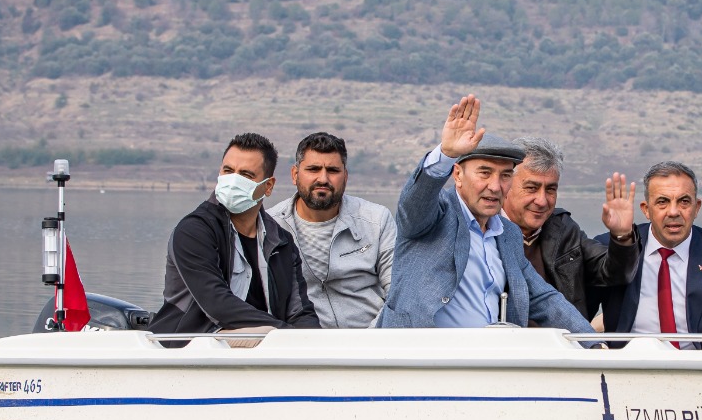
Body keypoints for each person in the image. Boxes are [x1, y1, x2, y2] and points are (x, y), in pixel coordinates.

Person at [376, 96, 594, 333]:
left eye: (505, 175)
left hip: (486, 360)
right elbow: (414, 204)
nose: (495, 186)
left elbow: (543, 298)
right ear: (457, 175)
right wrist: (446, 155)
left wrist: (592, 343)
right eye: (485, 173)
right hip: (421, 358)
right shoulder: (435, 214)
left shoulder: (507, 233)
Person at [151, 132, 319, 337]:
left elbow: (300, 310)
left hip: (264, 345)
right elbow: (218, 305)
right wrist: (284, 334)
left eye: (246, 175)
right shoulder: (194, 231)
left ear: (268, 186)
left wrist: (313, 340)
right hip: (193, 341)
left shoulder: (280, 240)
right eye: (228, 171)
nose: (233, 181)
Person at [598, 161, 702, 341]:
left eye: (684, 202)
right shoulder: (608, 247)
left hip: (697, 363)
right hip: (627, 362)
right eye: (662, 202)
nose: (673, 212)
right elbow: (576, 310)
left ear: (696, 208)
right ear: (646, 210)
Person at [501, 137, 640, 324]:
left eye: (550, 189)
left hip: (566, 344)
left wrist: (622, 236)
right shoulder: (487, 229)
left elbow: (615, 273)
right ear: (506, 185)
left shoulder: (562, 228)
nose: (542, 201)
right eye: (531, 188)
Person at [269, 131, 396, 329]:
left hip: (372, 343)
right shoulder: (271, 227)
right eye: (313, 169)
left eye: (333, 170)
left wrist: (371, 341)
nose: (323, 178)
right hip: (301, 345)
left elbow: (397, 292)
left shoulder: (377, 220)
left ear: (345, 176)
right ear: (295, 175)